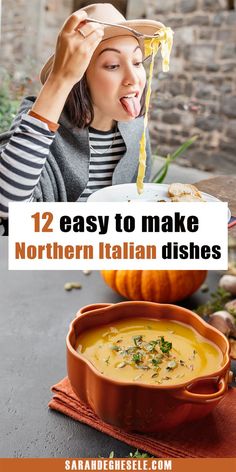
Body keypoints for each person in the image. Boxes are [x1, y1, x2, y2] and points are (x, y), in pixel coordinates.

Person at [0, 3, 165, 234]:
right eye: (113, 65)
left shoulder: (137, 128)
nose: (133, 78)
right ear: (80, 77)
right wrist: (60, 79)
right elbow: (7, 211)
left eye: (137, 62)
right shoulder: (39, 125)